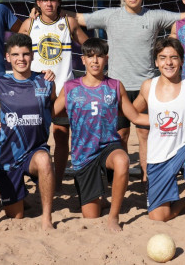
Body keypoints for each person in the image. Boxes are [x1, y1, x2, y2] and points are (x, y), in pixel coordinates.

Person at [76, 0, 185, 159]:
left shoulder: (155, 16)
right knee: (122, 135)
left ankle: (148, 179)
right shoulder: (110, 15)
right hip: (119, 85)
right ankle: (118, 175)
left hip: (150, 85)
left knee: (150, 134)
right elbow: (77, 19)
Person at [52, 38, 148, 232]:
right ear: (83, 60)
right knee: (91, 214)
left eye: (99, 56)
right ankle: (99, 199)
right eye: (90, 56)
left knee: (122, 161)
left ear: (107, 59)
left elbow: (136, 116)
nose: (95, 60)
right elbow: (51, 113)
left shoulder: (114, 86)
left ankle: (114, 216)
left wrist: (166, 117)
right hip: (83, 155)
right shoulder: (71, 87)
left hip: (108, 146)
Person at [132, 37, 185, 240]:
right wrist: (156, 121)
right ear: (156, 62)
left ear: (181, 61)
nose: (168, 62)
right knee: (158, 216)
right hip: (159, 154)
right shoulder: (148, 87)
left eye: (173, 58)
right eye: (163, 58)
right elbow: (133, 112)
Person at [19, 0, 89, 188]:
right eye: (44, 0)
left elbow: (88, 47)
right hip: (35, 91)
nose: (49, 3)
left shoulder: (69, 23)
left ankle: (57, 182)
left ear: (58, 2)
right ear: (38, 3)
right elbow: (17, 55)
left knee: (60, 136)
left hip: (63, 92)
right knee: (32, 136)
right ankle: (33, 178)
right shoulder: (29, 25)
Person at [0, 33, 56, 230]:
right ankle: (20, 197)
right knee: (16, 215)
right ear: (8, 57)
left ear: (33, 56)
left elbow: (54, 109)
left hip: (35, 150)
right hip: (8, 155)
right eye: (16, 54)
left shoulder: (45, 81)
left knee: (45, 160)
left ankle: (47, 218)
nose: (21, 59)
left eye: (26, 54)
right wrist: (0, 129)